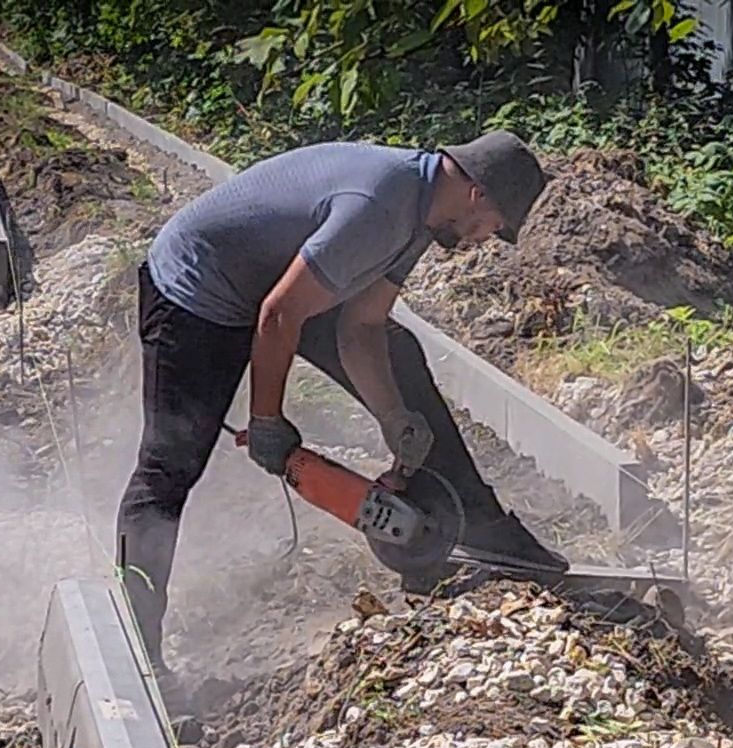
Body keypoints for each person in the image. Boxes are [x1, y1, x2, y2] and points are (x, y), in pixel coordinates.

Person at [118, 130, 571, 664]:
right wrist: (267, 420)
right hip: (199, 289)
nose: (483, 239)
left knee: (398, 357)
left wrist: (394, 417)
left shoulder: (423, 215)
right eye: (494, 228)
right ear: (477, 194)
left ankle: (480, 527)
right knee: (171, 465)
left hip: (272, 281)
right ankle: (134, 645)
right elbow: (279, 315)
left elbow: (361, 326)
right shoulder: (378, 208)